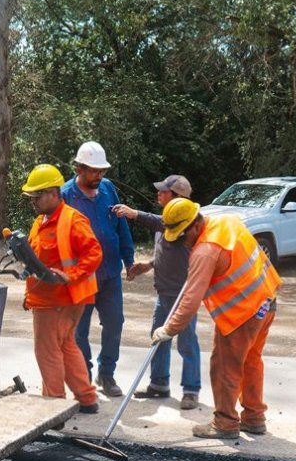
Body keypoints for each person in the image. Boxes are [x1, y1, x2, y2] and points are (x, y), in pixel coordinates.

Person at [152, 198, 282, 439]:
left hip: (242, 313)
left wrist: (169, 329)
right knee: (250, 361)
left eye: (182, 235)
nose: (182, 241)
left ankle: (225, 423)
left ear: (193, 226)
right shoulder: (227, 222)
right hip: (266, 301)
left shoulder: (205, 252)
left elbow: (190, 300)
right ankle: (254, 417)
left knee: (224, 366)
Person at [112, 175, 201, 410]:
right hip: (164, 292)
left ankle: (191, 390)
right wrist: (149, 265)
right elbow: (166, 249)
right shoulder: (168, 220)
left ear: (178, 198)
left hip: (184, 294)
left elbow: (160, 223)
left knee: (187, 342)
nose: (159, 194)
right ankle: (159, 384)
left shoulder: (186, 222)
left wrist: (134, 214)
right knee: (158, 336)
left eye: (164, 192)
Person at [21, 164, 102, 413]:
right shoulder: (40, 221)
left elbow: (94, 253)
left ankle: (53, 406)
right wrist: (29, 294)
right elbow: (36, 262)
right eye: (31, 196)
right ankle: (86, 399)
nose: (33, 201)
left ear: (54, 193)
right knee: (66, 345)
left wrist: (70, 276)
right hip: (48, 298)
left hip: (58, 300)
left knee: (47, 352)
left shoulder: (72, 220)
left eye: (38, 195)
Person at [61, 141, 135, 397]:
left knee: (115, 323)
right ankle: (86, 378)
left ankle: (107, 375)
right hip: (82, 277)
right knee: (79, 331)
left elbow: (121, 225)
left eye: (101, 170)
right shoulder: (65, 195)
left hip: (111, 273)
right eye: (93, 171)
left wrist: (130, 260)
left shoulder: (107, 188)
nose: (98, 175)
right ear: (79, 168)